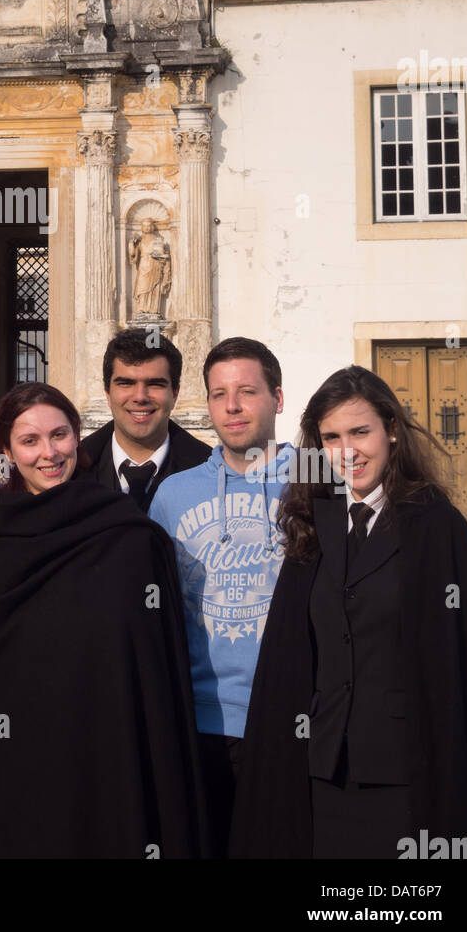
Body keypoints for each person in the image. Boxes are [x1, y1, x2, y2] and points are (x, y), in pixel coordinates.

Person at [231, 365, 467, 859]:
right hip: (321, 770)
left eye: (360, 432)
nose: (347, 451)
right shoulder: (312, 523)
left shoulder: (436, 526)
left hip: (408, 772)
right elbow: (292, 655)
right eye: (331, 437)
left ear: (391, 429)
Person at [0, 382, 207, 859]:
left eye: (60, 435)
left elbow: (156, 669)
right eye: (29, 441)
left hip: (111, 754)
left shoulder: (129, 535)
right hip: (23, 758)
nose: (48, 453)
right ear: (5, 452)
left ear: (78, 437)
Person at [149, 336, 292, 857]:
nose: (231, 407)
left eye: (247, 391)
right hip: (202, 723)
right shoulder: (173, 495)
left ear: (277, 398)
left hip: (291, 720)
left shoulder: (318, 483)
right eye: (218, 394)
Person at [81, 327, 211, 513]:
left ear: (175, 394)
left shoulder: (210, 472)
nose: (140, 397)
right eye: (126, 383)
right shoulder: (73, 471)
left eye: (155, 384)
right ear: (108, 393)